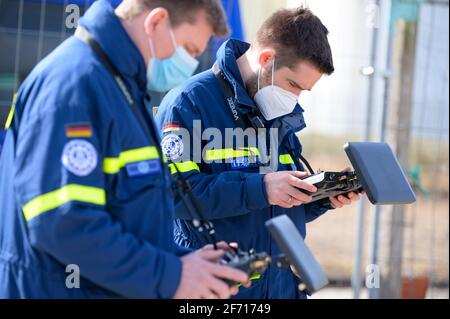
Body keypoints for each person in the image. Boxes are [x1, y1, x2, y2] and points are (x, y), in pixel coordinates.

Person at [0, 0, 248, 299]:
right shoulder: (75, 85)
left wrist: (183, 261)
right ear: (156, 22)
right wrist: (171, 275)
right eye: (189, 50)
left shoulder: (121, 87)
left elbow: (125, 216)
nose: (191, 66)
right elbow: (63, 223)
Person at [155, 7, 361, 299]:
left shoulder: (278, 112)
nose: (294, 99)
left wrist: (320, 197)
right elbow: (173, 196)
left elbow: (276, 206)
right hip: (214, 287)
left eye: (303, 91)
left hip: (280, 286)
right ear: (266, 60)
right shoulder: (188, 103)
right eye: (293, 85)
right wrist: (262, 188)